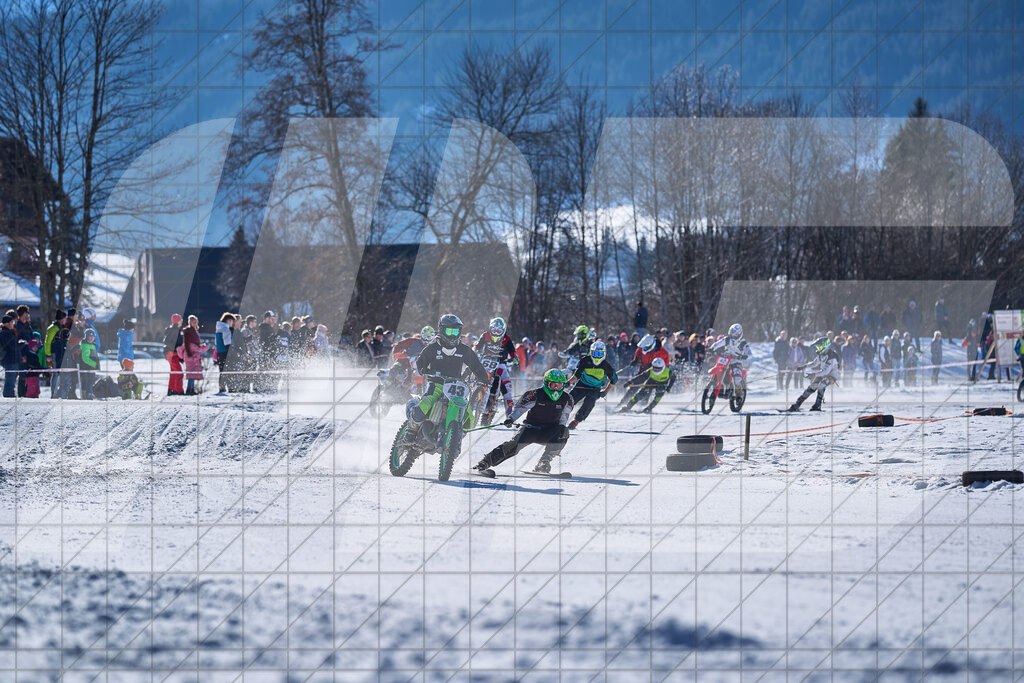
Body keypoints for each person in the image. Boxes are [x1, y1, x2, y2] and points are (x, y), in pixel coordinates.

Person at [404, 314, 490, 442]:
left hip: (456, 385)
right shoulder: (433, 348)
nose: (452, 335)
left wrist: (484, 379)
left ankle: (456, 435)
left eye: (455, 331)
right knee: (426, 403)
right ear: (442, 330)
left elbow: (476, 366)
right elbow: (421, 360)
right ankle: (410, 431)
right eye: (449, 331)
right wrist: (422, 369)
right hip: (437, 383)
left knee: (469, 415)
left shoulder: (464, 350)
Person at [474, 369, 573, 476]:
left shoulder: (567, 399)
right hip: (530, 429)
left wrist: (560, 431)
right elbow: (520, 409)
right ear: (546, 383)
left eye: (559, 386)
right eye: (553, 385)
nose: (556, 389)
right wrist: (511, 419)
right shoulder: (534, 394)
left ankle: (544, 462)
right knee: (513, 447)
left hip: (549, 432)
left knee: (564, 432)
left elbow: (564, 418)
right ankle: (485, 462)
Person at [474, 317, 519, 421]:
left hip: (500, 363)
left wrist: (515, 359)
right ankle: (471, 391)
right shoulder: (485, 335)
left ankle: (509, 411)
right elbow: (477, 346)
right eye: (494, 330)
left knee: (507, 385)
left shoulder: (506, 339)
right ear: (490, 329)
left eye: (499, 331)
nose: (496, 333)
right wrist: (474, 351)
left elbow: (512, 351)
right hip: (486, 360)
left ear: (503, 331)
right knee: (473, 370)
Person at [567, 340, 617, 429]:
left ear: (604, 354)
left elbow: (614, 381)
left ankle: (576, 421)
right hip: (582, 385)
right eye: (595, 354)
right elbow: (576, 376)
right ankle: (559, 417)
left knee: (589, 402)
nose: (597, 357)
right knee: (570, 400)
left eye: (599, 354)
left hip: (595, 388)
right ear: (591, 352)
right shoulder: (585, 361)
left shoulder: (606, 366)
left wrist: (605, 392)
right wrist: (568, 383)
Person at [788, 336, 839, 412]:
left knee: (821, 385)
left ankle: (817, 405)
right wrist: (804, 366)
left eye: (818, 346)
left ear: (824, 346)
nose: (817, 348)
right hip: (823, 374)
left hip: (832, 376)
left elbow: (826, 372)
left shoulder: (832, 356)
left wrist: (814, 375)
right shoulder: (821, 354)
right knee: (812, 386)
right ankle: (797, 405)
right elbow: (814, 363)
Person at [707, 323, 751, 395]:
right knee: (718, 368)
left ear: (739, 334)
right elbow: (717, 344)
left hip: (736, 360)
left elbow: (748, 352)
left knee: (737, 378)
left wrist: (744, 356)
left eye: (735, 334)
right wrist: (711, 349)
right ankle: (715, 383)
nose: (733, 335)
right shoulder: (727, 339)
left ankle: (739, 395)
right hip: (725, 358)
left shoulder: (743, 343)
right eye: (732, 333)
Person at [182, 315, 207, 395]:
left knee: (193, 373)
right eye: (194, 322)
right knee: (191, 373)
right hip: (190, 354)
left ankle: (191, 389)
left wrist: (200, 349)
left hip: (193, 354)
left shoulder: (194, 331)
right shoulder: (189, 331)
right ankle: (189, 390)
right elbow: (189, 344)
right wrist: (199, 349)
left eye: (196, 322)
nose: (195, 324)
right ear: (190, 322)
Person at [163, 314, 185, 396]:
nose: (182, 322)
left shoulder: (177, 330)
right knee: (179, 373)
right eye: (180, 320)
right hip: (171, 354)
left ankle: (171, 390)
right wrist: (175, 349)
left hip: (174, 354)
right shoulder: (174, 330)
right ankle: (179, 391)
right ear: (177, 321)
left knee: (174, 373)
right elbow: (168, 342)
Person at [215, 312, 235, 394]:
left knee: (222, 371)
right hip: (225, 352)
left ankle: (222, 388)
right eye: (231, 321)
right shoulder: (225, 329)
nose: (232, 323)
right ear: (228, 320)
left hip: (219, 352)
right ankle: (230, 388)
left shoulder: (218, 328)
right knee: (228, 371)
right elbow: (227, 343)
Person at [78, 328, 100, 399]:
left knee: (91, 381)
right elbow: (85, 358)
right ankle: (87, 395)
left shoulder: (92, 345)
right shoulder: (85, 345)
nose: (91, 338)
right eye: (89, 336)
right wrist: (94, 364)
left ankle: (88, 393)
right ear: (86, 337)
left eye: (93, 337)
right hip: (87, 367)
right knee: (88, 382)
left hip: (91, 368)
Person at [1, 314, 19, 398]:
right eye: (12, 322)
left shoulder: (8, 332)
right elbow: (13, 347)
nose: (13, 324)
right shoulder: (6, 333)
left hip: (11, 360)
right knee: (10, 382)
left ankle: (9, 395)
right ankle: (8, 397)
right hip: (10, 360)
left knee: (11, 382)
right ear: (7, 323)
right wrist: (22, 344)